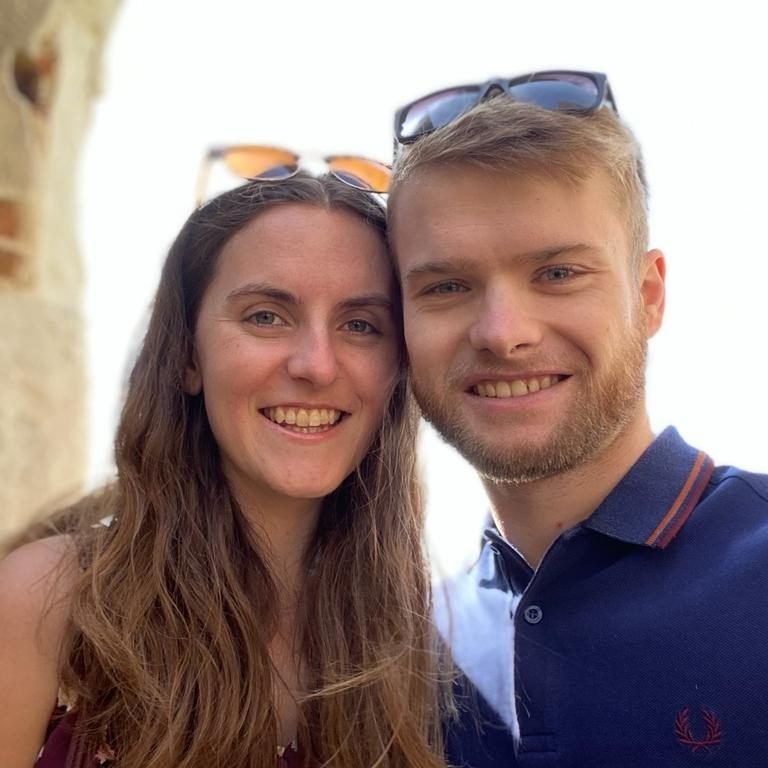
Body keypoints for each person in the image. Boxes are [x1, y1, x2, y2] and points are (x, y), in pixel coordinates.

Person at [0, 170, 446, 768]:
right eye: (266, 316)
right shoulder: (49, 602)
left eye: (360, 325)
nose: (316, 365)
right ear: (188, 355)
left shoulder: (415, 642)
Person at [388, 71, 768, 766]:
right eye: (447, 286)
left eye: (558, 273)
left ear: (648, 297)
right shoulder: (402, 653)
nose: (503, 334)